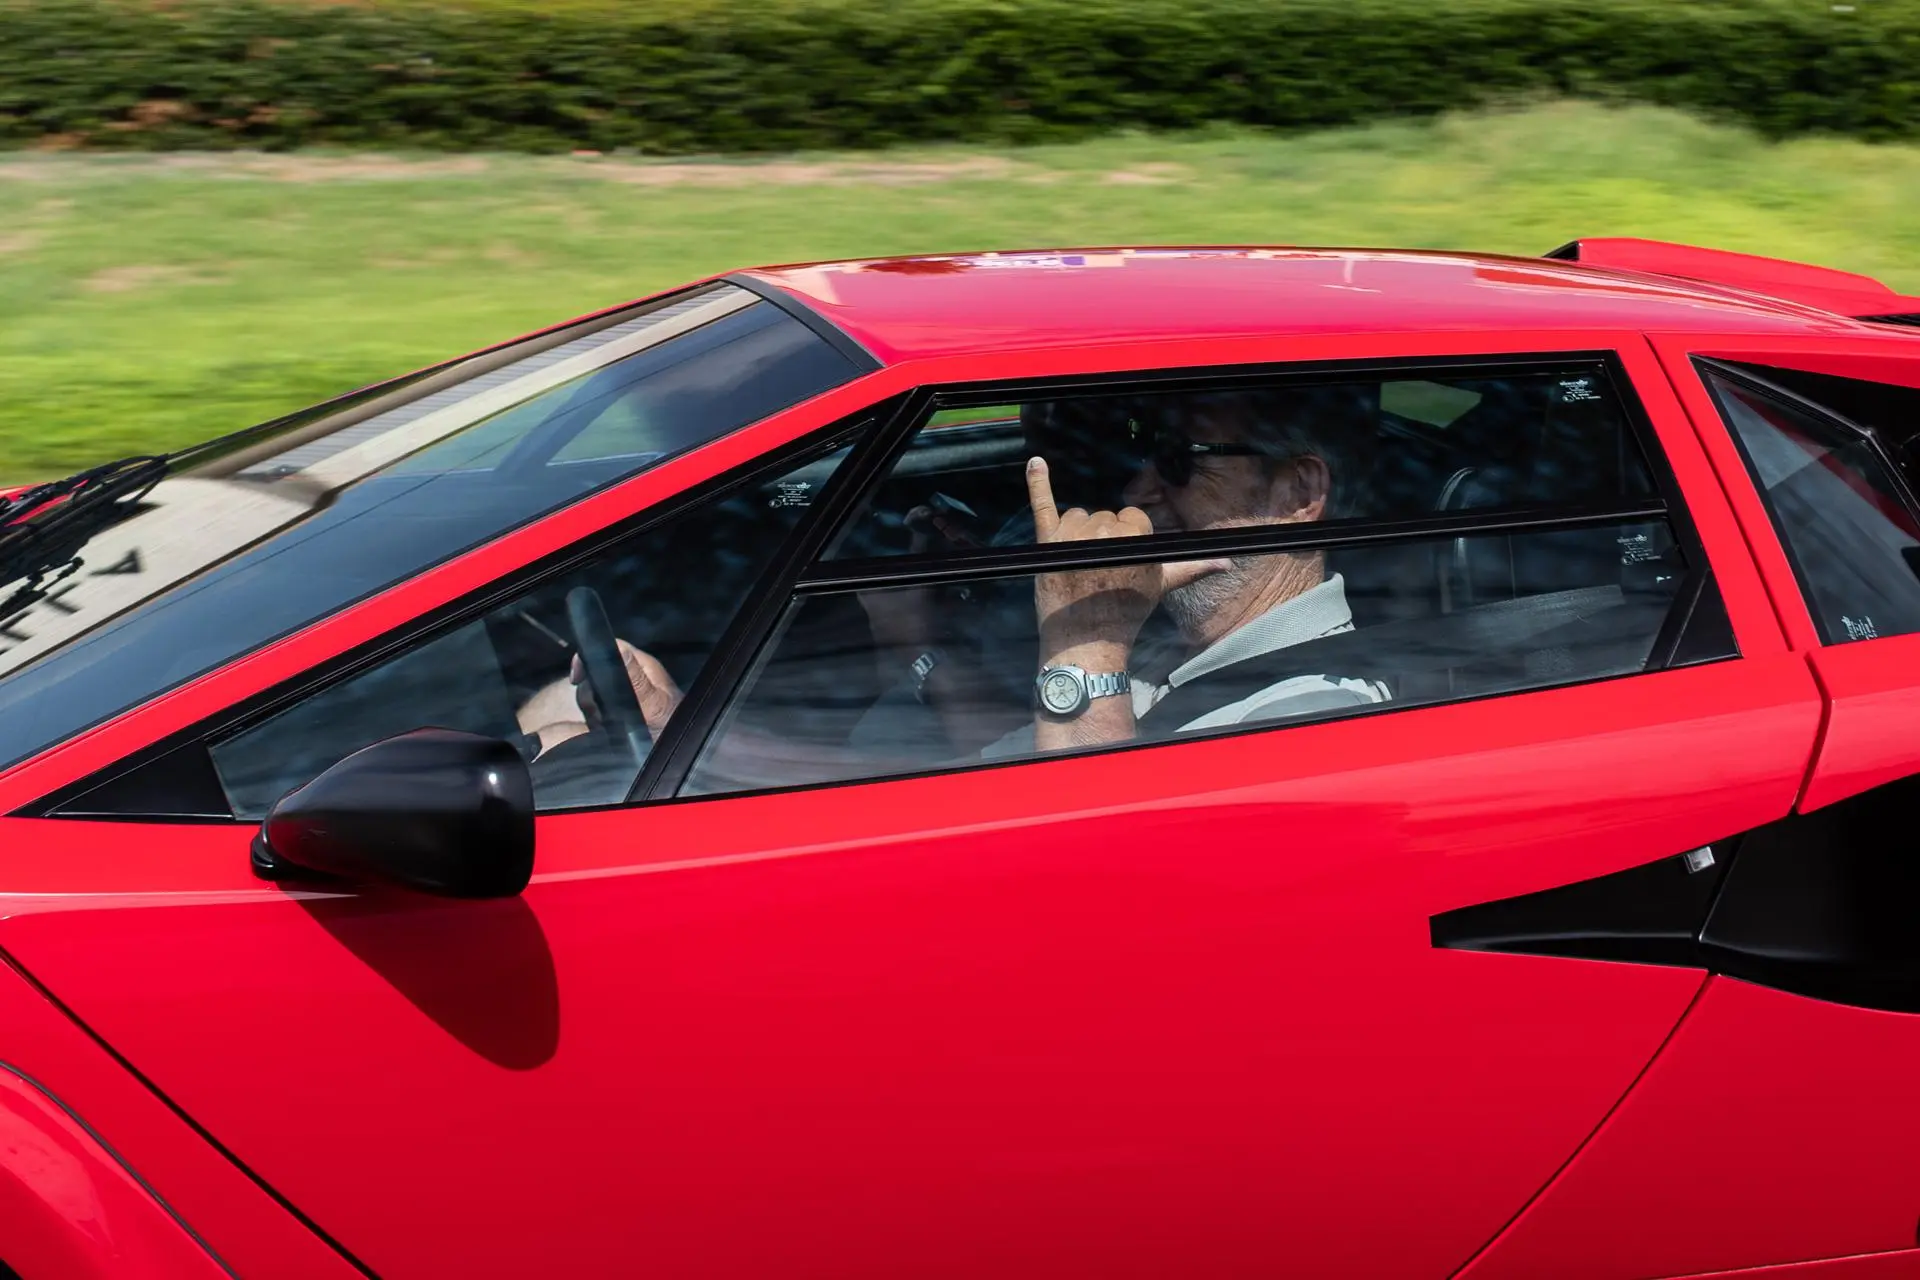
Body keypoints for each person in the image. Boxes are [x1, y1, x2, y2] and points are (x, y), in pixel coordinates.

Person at [518, 387, 1388, 780]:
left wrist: (1083, 636)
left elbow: (1089, 878)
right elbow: (950, 776)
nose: (1138, 489)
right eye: (1142, 456)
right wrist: (690, 738)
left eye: (1179, 460)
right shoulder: (1172, 651)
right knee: (555, 721)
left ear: (1297, 493)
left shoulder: (1316, 713)